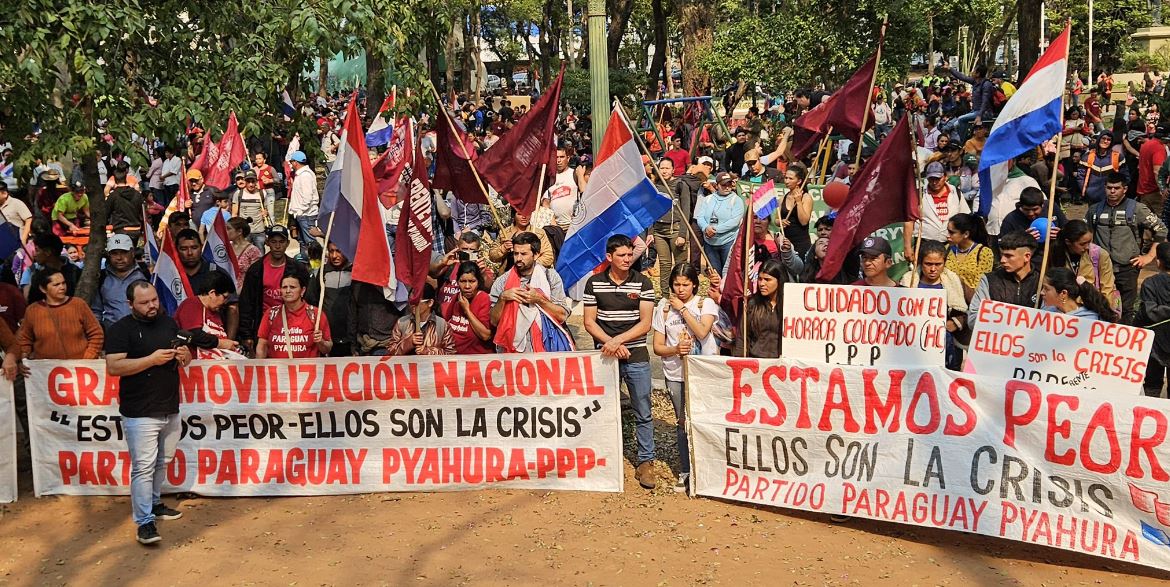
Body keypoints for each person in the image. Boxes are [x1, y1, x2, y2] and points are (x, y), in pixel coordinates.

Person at [105, 281, 217, 545]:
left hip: (170, 406)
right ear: (130, 304)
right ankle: (144, 522)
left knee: (161, 461)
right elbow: (113, 367)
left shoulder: (168, 323)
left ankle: (155, 504)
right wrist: (151, 360)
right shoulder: (121, 329)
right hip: (139, 411)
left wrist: (183, 356)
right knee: (143, 467)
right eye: (145, 302)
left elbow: (187, 360)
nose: (152, 306)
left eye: (154, 300)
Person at [582, 235, 656, 489]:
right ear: (609, 257)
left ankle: (646, 461)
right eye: (622, 255)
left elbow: (645, 324)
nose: (627, 259)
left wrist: (618, 342)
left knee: (643, 410)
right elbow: (589, 321)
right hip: (604, 357)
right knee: (602, 409)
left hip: (635, 355)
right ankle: (604, 457)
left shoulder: (644, 282)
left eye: (629, 255)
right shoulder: (594, 284)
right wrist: (611, 344)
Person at [651, 262, 717, 491]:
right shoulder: (663, 307)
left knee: (704, 419)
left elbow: (701, 331)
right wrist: (675, 350)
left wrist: (683, 309)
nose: (680, 289)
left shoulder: (705, 304)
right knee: (682, 422)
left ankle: (708, 468)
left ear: (695, 285)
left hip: (703, 374)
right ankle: (686, 469)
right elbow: (658, 346)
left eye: (685, 285)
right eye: (676, 284)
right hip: (675, 373)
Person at [1086, 172, 1167, 323]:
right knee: (1099, 305)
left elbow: (1161, 229)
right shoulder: (1094, 210)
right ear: (1104, 188)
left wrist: (1149, 257)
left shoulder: (1137, 209)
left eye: (1116, 188)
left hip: (1128, 268)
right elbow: (1086, 235)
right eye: (1109, 188)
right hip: (1101, 269)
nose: (1112, 191)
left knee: (1127, 309)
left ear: (1125, 189)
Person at [490, 231, 572, 351]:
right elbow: (493, 320)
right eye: (516, 254)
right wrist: (503, 299)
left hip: (545, 349)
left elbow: (562, 315)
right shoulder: (502, 281)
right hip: (511, 352)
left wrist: (539, 300)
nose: (518, 258)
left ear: (536, 255)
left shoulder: (551, 277)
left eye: (523, 254)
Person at [239, 225, 310, 354]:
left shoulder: (297, 269)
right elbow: (246, 302)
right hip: (264, 325)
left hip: (292, 324)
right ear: (267, 242)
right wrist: (246, 334)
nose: (277, 246)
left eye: (281, 242)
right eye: (274, 241)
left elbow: (308, 298)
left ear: (287, 243)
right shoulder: (256, 269)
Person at [901, 242, 968, 369]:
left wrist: (955, 322)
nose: (933, 269)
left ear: (944, 263)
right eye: (928, 264)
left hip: (945, 344)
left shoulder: (952, 281)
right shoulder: (908, 280)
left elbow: (965, 310)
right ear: (920, 262)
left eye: (938, 264)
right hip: (913, 341)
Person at [967, 231, 1041, 324]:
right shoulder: (989, 281)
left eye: (1009, 256)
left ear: (1027, 256)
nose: (1002, 260)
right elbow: (973, 319)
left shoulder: (1042, 283)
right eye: (1002, 254)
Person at [256, 271, 332, 358]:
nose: (288, 291)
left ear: (302, 291)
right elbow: (262, 346)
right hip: (277, 370)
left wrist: (320, 342)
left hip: (307, 370)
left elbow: (327, 348)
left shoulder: (316, 314)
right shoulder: (271, 314)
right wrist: (259, 368)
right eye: (284, 287)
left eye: (292, 287)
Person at [1049, 219, 1118, 314]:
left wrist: (1106, 313)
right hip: (1066, 309)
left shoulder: (1100, 254)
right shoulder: (1056, 253)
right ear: (1068, 242)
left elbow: (1107, 287)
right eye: (1082, 244)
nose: (1087, 247)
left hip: (1095, 308)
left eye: (1089, 242)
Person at [174, 271, 243, 358]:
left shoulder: (217, 312)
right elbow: (193, 335)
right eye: (224, 297)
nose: (225, 302)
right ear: (212, 293)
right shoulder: (191, 305)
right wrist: (221, 343)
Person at [908, 162, 970, 256]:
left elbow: (965, 218)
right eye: (931, 179)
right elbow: (909, 222)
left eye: (937, 179)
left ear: (945, 177)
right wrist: (907, 247)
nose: (934, 182)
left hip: (951, 245)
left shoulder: (955, 193)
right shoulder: (919, 194)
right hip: (924, 244)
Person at [90, 234, 149, 329]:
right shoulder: (102, 278)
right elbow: (96, 311)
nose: (119, 258)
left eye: (124, 252)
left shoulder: (146, 275)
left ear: (132, 252)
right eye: (114, 253)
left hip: (143, 332)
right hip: (112, 333)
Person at [651, 157, 692, 292]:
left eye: (667, 168)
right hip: (659, 230)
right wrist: (650, 232)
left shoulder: (680, 185)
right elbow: (650, 210)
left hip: (676, 228)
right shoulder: (655, 186)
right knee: (664, 264)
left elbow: (686, 210)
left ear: (673, 169)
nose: (664, 171)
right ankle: (665, 295)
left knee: (680, 265)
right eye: (662, 168)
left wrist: (682, 234)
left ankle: (681, 293)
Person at [306, 241, 354, 356]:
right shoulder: (322, 272)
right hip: (327, 338)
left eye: (338, 251)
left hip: (351, 337)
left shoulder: (355, 271)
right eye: (331, 251)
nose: (334, 256)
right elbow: (311, 300)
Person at [1136, 243, 1170, 397]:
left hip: (1154, 344)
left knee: (1152, 385)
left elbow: (1149, 312)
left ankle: (1151, 418)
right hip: (1156, 344)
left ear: (1158, 262)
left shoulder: (1150, 283)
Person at [695, 172, 745, 274]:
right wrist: (705, 228)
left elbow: (735, 221)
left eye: (729, 184)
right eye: (724, 185)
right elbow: (700, 216)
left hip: (728, 242)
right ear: (717, 185)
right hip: (709, 242)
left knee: (728, 274)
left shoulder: (737, 200)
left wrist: (715, 230)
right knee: (715, 274)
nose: (727, 187)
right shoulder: (708, 199)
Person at [441, 261, 495, 355]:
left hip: (476, 359)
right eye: (462, 281)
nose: (467, 286)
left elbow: (485, 335)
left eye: (472, 281)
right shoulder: (457, 297)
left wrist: (467, 310)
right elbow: (447, 322)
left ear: (478, 282)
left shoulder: (483, 298)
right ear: (457, 282)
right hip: (455, 357)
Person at [387, 284, 456, 356]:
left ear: (430, 303)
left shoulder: (442, 325)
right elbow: (390, 352)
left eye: (416, 301)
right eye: (411, 301)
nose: (412, 305)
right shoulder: (402, 322)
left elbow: (450, 354)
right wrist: (408, 342)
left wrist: (427, 351)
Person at [735, 259, 785, 358]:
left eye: (767, 279)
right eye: (760, 279)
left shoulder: (789, 304)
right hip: (756, 363)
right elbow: (742, 337)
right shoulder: (752, 304)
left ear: (779, 280)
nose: (761, 284)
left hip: (783, 365)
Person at [431, 231, 495, 307]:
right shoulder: (449, 265)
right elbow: (432, 273)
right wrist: (441, 264)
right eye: (464, 251)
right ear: (457, 249)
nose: (468, 255)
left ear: (478, 252)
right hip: (442, 315)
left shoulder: (482, 269)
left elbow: (489, 287)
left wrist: (481, 274)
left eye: (472, 251)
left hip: (466, 314)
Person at [1041, 266, 1119, 323]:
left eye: (1046, 289)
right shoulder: (1043, 314)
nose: (1042, 292)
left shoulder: (1090, 320)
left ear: (1063, 293)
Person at [23, 232, 81, 303]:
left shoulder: (74, 272)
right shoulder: (37, 275)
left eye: (37, 250)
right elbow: (33, 303)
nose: (34, 254)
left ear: (48, 252)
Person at [489, 210, 554, 269]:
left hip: (533, 275)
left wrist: (530, 264)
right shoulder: (504, 233)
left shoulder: (539, 233)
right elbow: (492, 257)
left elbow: (548, 256)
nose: (524, 217)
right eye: (519, 214)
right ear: (514, 215)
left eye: (527, 213)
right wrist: (503, 248)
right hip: (508, 275)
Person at [999, 187, 1068, 240]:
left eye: (1035, 209)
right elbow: (1004, 244)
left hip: (1054, 252)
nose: (1031, 213)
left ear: (1042, 205)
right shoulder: (1011, 219)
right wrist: (1024, 239)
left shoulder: (1051, 207)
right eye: (1026, 209)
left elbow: (1068, 228)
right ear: (1021, 206)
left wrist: (1061, 234)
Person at [1078, 131, 1126, 205]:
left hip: (1111, 197)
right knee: (1093, 216)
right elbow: (1080, 177)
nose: (1105, 141)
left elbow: (1125, 176)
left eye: (1108, 139)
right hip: (1092, 197)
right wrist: (1087, 191)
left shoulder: (1118, 157)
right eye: (1103, 138)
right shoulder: (1087, 157)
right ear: (1099, 139)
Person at [777, 163, 813, 258]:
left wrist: (798, 202)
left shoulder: (806, 197)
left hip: (801, 243)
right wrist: (781, 222)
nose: (787, 181)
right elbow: (776, 220)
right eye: (786, 178)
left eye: (790, 178)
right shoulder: (782, 198)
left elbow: (804, 221)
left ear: (799, 181)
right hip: (785, 243)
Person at [287, 151, 320, 249]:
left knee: (310, 243)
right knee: (303, 242)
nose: (291, 164)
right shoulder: (300, 175)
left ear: (295, 162)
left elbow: (307, 197)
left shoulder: (305, 176)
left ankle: (315, 262)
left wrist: (300, 211)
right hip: (302, 215)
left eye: (291, 161)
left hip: (306, 215)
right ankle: (305, 262)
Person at [107, 167, 145, 244]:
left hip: (120, 230)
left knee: (122, 253)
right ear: (126, 179)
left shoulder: (113, 196)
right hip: (136, 229)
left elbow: (106, 213)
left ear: (115, 180)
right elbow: (143, 212)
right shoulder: (137, 194)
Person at [230, 170, 269, 245]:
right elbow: (234, 214)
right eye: (248, 181)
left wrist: (265, 212)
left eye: (253, 181)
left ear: (256, 181)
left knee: (260, 255)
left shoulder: (262, 193)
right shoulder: (238, 194)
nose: (251, 184)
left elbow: (266, 210)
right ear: (245, 181)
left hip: (259, 232)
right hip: (245, 232)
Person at [227, 217, 263, 281]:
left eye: (228, 228)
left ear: (239, 231)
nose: (225, 231)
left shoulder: (253, 251)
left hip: (245, 289)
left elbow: (257, 275)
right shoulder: (226, 248)